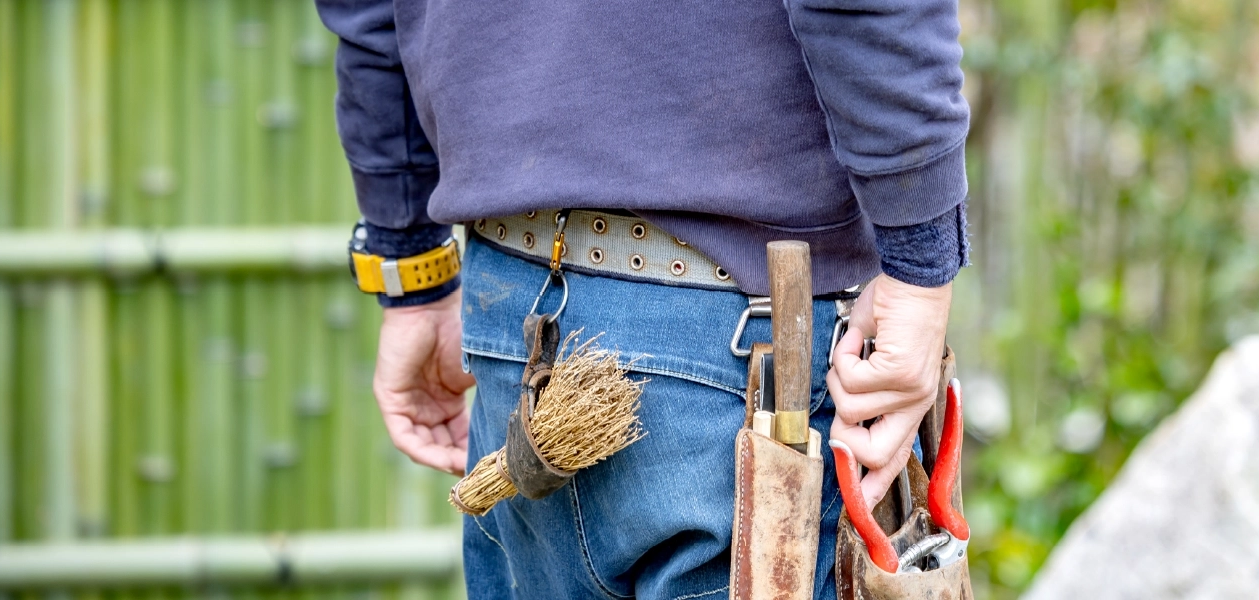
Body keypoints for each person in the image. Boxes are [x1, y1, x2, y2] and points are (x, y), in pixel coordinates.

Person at [315, 1, 969, 598]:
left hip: (510, 307)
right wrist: (920, 259)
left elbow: (370, 13)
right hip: (735, 348)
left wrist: (412, 271)